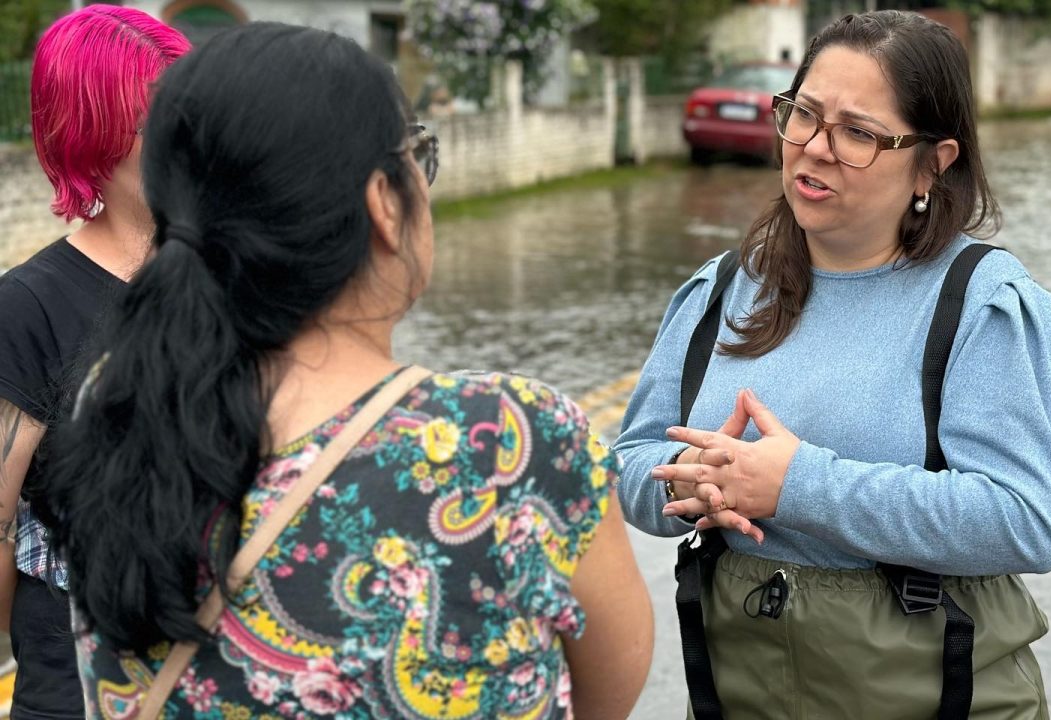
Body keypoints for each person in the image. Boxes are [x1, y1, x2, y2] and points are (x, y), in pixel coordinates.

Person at [40, 22, 652, 718]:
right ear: (383, 204)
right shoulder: (513, 442)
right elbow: (607, 696)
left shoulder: (118, 405)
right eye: (417, 154)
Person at [616, 10, 1051, 719]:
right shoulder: (719, 290)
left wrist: (797, 486)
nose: (815, 148)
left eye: (858, 133)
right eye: (803, 115)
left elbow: (1028, 520)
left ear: (934, 160)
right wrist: (690, 488)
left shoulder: (984, 305)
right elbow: (630, 463)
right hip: (741, 693)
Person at [0, 7, 189, 719]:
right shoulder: (25, 308)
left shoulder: (226, 280)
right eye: (160, 116)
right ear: (96, 131)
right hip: (76, 691)